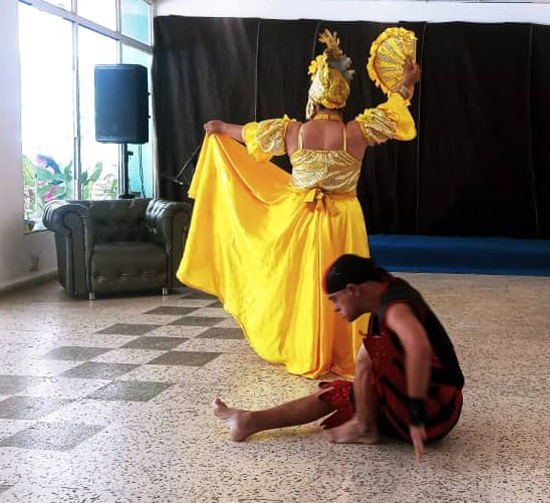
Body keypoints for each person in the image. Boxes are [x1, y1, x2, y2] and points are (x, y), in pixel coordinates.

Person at [177, 29, 421, 378]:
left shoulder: (292, 131)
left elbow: (246, 133)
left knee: (305, 282)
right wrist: (406, 84)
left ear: (313, 99)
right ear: (341, 101)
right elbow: (394, 112)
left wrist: (219, 126)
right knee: (347, 282)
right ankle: (344, 347)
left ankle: (306, 344)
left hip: (301, 219)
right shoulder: (357, 131)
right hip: (344, 219)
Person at [213, 254, 464, 460]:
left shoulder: (396, 307)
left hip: (434, 414)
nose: (335, 308)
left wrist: (416, 416)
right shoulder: (389, 290)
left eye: (335, 299)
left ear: (353, 290)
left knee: (365, 359)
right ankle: (250, 420)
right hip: (437, 407)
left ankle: (364, 427)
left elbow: (419, 348)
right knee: (349, 386)